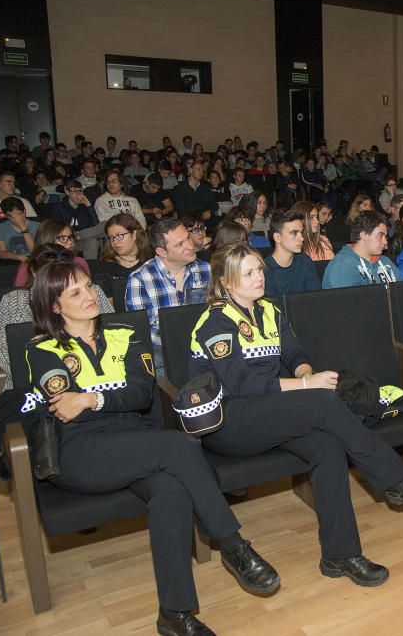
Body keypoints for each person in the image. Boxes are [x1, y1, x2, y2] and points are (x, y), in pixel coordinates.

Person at [24, 261, 278, 635]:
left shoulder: (126, 334)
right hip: (81, 451)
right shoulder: (43, 350)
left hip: (135, 440)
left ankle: (174, 614)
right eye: (75, 292)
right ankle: (233, 544)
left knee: (172, 491)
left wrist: (91, 399)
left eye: (89, 286)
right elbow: (64, 405)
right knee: (179, 446)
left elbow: (141, 393)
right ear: (55, 307)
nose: (90, 295)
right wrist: (97, 401)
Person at [190, 242, 403, 587]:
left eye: (259, 270)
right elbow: (241, 385)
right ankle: (395, 479)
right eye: (247, 273)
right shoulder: (215, 323)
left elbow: (295, 353)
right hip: (230, 423)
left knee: (327, 446)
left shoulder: (268, 310)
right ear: (224, 283)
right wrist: (306, 386)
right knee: (322, 401)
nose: (258, 278)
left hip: (269, 413)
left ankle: (340, 555)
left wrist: (304, 373)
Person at [0, 245, 114, 391]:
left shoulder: (92, 293)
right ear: (34, 272)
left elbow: (111, 331)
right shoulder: (13, 301)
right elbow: (0, 352)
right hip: (33, 382)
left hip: (94, 377)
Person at [126, 218, 210, 372]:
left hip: (205, 346)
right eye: (180, 244)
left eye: (188, 238)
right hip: (162, 353)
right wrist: (181, 341)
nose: (190, 246)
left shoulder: (206, 270)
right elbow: (142, 333)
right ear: (161, 252)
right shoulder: (140, 280)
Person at [323, 211, 403, 288]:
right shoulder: (341, 266)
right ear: (363, 235)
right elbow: (351, 300)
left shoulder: (385, 261)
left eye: (385, 237)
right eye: (380, 235)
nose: (385, 242)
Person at [13, 219, 89, 286]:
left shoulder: (78, 262)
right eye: (63, 238)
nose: (70, 242)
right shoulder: (27, 267)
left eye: (71, 237)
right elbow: (19, 296)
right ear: (48, 241)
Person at [263, 209, 320, 296]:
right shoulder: (265, 270)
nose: (301, 238)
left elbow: (316, 298)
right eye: (294, 233)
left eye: (301, 232)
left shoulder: (305, 261)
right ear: (277, 237)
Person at [91, 213, 153, 282]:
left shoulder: (152, 262)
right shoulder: (105, 267)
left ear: (134, 234)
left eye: (119, 235)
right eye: (111, 237)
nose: (114, 241)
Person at [0, 197, 40, 264]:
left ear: (24, 211)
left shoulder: (38, 226)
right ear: (6, 216)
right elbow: (1, 253)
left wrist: (23, 227)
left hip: (34, 262)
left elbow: (35, 252)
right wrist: (18, 257)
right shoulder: (1, 227)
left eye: (19, 214)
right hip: (11, 262)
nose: (17, 218)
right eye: (12, 216)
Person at [171, 161, 218, 227]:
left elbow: (214, 204)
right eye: (198, 169)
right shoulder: (180, 188)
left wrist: (210, 211)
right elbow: (181, 209)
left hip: (205, 219)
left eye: (202, 170)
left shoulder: (205, 187)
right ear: (191, 170)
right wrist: (201, 214)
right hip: (188, 220)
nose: (201, 172)